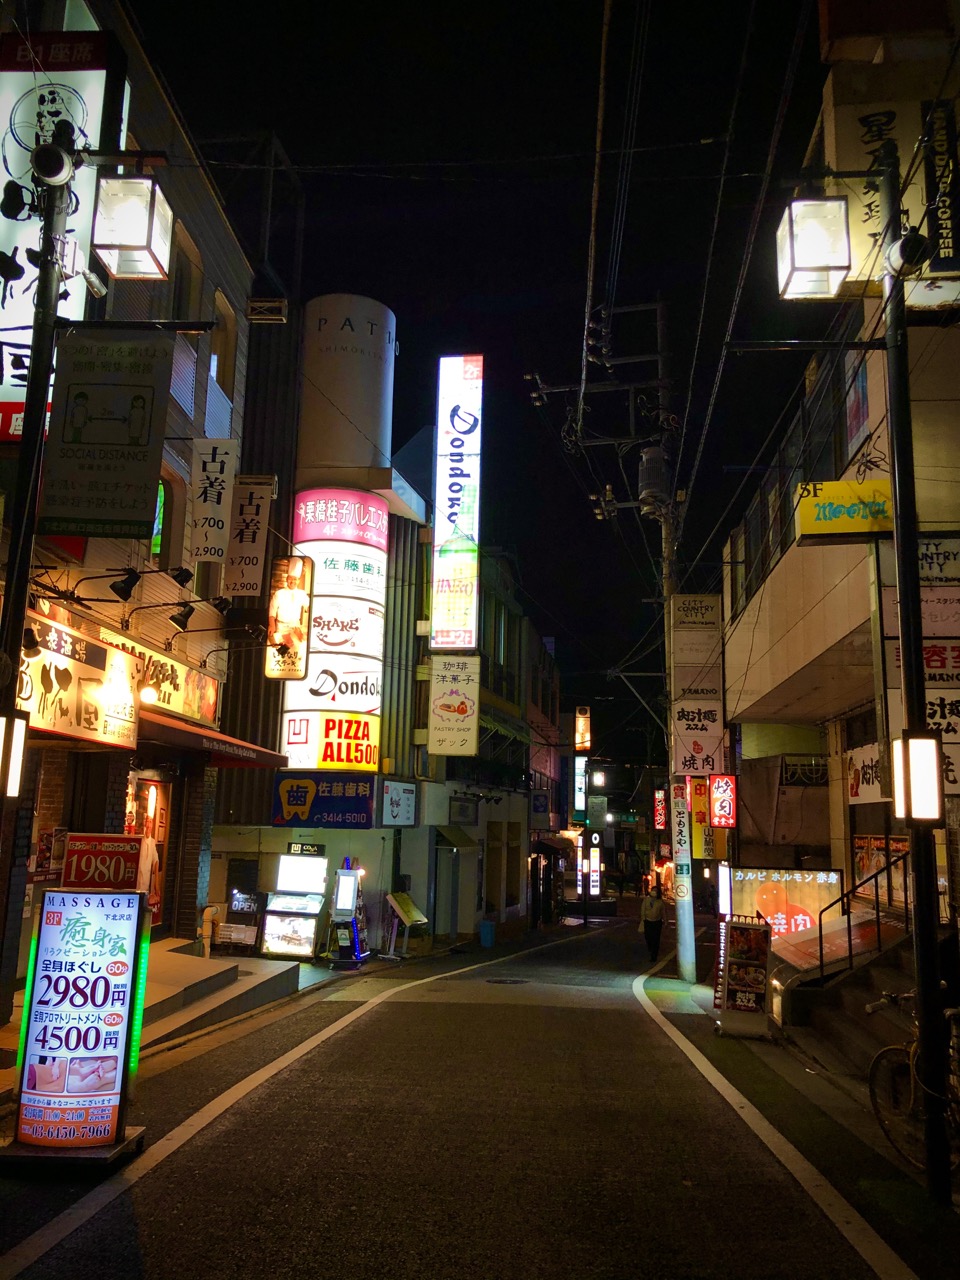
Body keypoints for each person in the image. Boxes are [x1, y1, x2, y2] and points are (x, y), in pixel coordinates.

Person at [640, 885, 665, 962]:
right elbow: (642, 909)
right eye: (653, 890)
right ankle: (650, 949)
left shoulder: (660, 902)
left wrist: (665, 921)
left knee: (656, 939)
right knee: (648, 937)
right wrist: (643, 919)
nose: (654, 892)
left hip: (657, 922)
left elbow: (663, 912)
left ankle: (654, 956)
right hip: (647, 921)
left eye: (656, 891)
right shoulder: (646, 900)